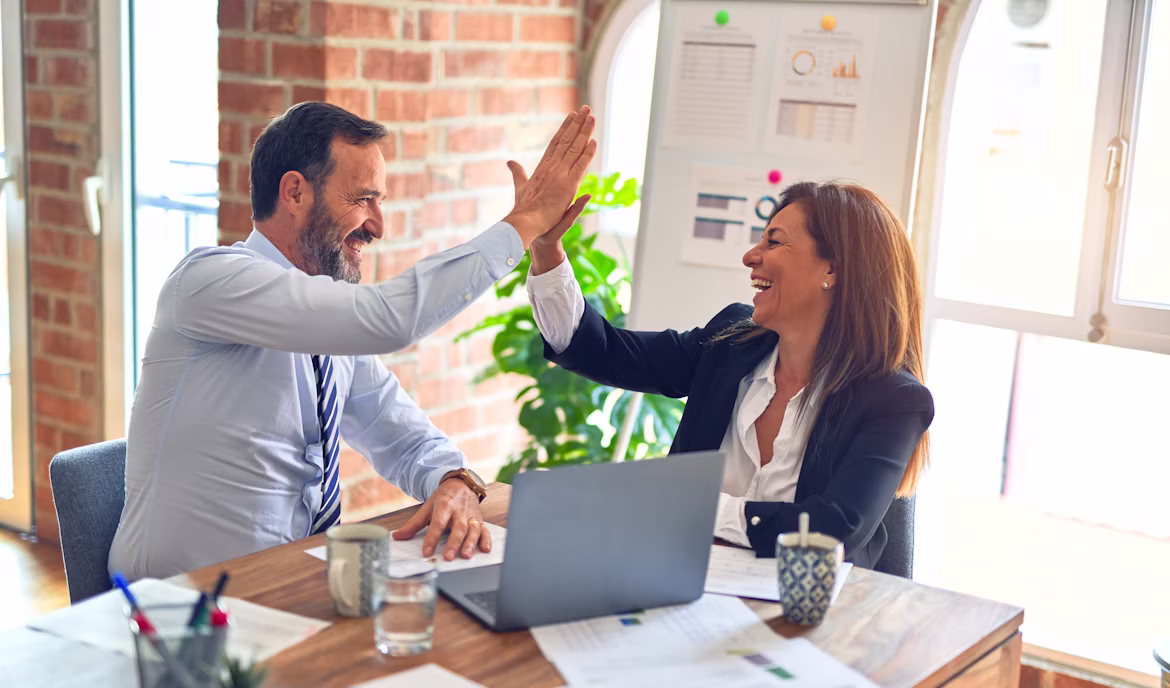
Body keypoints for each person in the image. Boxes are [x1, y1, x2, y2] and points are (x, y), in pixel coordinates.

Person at [109, 101, 597, 580]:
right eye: (364, 199)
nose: (378, 226)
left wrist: (454, 480)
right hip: (178, 608)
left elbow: (399, 432)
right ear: (295, 193)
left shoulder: (327, 326)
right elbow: (390, 319)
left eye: (379, 202)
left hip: (289, 589)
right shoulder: (210, 281)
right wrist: (525, 222)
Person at [526, 180, 933, 570]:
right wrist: (547, 249)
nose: (751, 256)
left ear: (833, 270)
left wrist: (696, 507)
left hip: (810, 619)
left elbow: (832, 532)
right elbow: (604, 351)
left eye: (774, 241)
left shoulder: (893, 400)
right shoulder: (730, 344)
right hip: (682, 587)